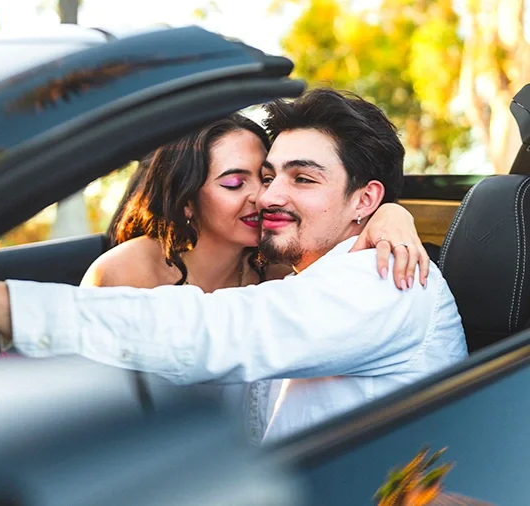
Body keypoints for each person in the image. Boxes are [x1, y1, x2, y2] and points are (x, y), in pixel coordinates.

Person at [0, 87, 468, 443]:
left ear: (363, 199)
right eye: (267, 175)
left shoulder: (386, 281)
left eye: (303, 178)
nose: (268, 196)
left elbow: (214, 332)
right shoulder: (305, 274)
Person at [79, 113, 429, 442]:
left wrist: (390, 213)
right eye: (234, 183)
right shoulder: (125, 271)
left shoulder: (281, 268)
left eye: (262, 178)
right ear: (187, 201)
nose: (263, 197)